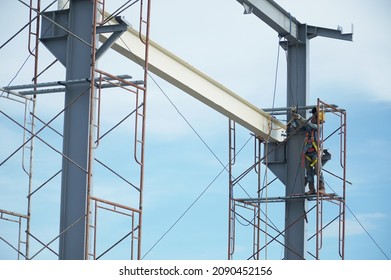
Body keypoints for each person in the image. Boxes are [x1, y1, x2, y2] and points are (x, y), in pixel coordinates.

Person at [293, 107, 326, 195]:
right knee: (309, 172)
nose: (312, 118)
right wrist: (295, 119)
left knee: (318, 170)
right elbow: (299, 127)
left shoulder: (318, 127)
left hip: (315, 152)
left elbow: (309, 125)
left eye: (314, 117)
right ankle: (312, 189)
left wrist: (300, 118)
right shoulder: (308, 128)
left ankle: (321, 188)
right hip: (307, 152)